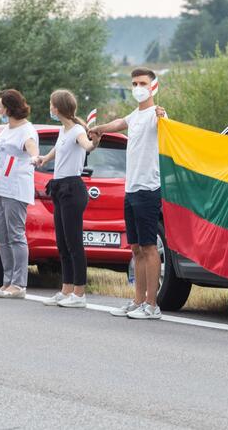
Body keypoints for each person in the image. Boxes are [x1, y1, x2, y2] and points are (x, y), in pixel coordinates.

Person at [90, 68, 166, 320]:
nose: (137, 87)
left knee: (149, 247)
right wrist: (99, 128)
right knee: (135, 248)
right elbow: (118, 123)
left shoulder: (156, 115)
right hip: (131, 188)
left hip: (148, 189)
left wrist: (163, 116)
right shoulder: (136, 114)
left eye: (142, 83)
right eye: (134, 83)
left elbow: (166, 125)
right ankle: (138, 300)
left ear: (153, 86)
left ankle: (152, 305)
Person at [39, 90, 101, 308]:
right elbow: (58, 148)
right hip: (59, 186)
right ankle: (66, 290)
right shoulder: (62, 130)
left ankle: (79, 293)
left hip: (73, 189)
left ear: (58, 108)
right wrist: (44, 158)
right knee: (62, 243)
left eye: (51, 104)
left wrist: (95, 142)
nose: (50, 107)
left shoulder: (77, 130)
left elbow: (87, 145)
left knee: (74, 242)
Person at [0, 90, 40, 299]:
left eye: (0, 105)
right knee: (1, 235)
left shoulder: (27, 131)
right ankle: (7, 281)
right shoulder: (8, 127)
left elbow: (31, 147)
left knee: (15, 234)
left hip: (15, 189)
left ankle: (19, 284)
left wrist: (35, 158)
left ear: (8, 107)